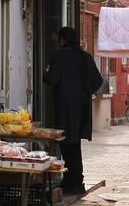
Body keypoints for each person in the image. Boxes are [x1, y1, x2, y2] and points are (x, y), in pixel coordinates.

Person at [44, 27, 103, 195]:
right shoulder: (85, 57)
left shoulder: (61, 56)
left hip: (65, 108)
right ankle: (75, 180)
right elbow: (98, 81)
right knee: (74, 145)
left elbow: (52, 79)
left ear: (63, 40)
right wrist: (84, 92)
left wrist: (46, 72)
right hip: (82, 108)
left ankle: (73, 182)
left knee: (67, 145)